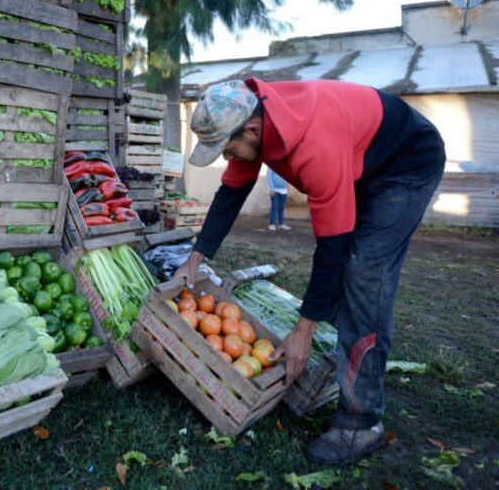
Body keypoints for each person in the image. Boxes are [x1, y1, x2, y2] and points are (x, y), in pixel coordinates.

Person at [175, 78, 445, 465]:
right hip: (362, 158)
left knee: (364, 271)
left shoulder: (315, 142)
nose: (226, 155)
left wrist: (303, 330)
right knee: (347, 270)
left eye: (228, 147)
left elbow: (332, 246)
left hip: (407, 161)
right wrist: (195, 258)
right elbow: (231, 193)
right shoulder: (255, 118)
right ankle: (331, 361)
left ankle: (360, 423)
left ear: (251, 130)